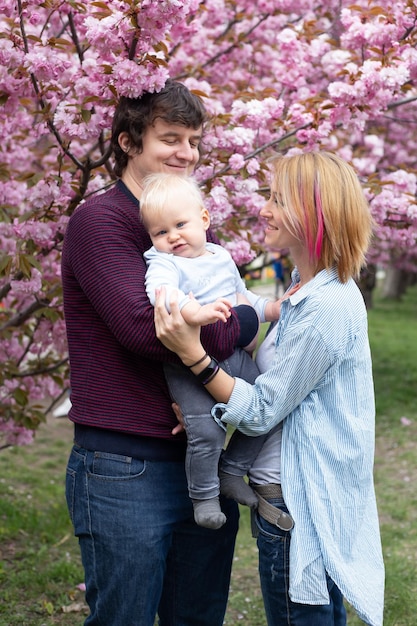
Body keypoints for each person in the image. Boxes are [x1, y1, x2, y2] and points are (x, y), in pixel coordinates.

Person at [153, 151, 385, 626]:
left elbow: (261, 410)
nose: (263, 209)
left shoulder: (328, 306)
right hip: (285, 494)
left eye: (277, 200)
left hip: (294, 501)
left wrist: (191, 355)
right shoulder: (301, 289)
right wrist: (205, 405)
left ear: (312, 215)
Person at [61, 80, 245, 626]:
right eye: (170, 138)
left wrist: (228, 326)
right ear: (127, 141)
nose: (185, 153)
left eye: (193, 140)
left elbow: (214, 317)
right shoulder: (101, 223)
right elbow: (149, 331)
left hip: (200, 458)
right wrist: (253, 316)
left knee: (197, 617)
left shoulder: (182, 225)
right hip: (125, 464)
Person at [140, 172, 285, 529]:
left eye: (180, 225)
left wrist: (271, 309)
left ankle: (231, 471)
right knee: (205, 430)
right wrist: (196, 313)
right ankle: (203, 496)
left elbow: (243, 295)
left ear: (204, 219)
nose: (172, 236)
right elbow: (162, 294)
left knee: (267, 409)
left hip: (234, 357)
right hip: (187, 363)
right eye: (160, 232)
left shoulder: (220, 255)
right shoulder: (163, 263)